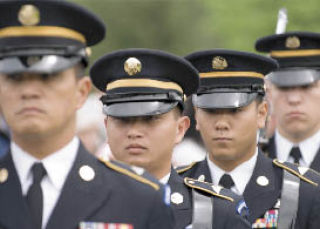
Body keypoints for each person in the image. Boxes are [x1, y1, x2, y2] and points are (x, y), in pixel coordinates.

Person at [0, 1, 173, 229]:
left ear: (81, 92)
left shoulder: (140, 199)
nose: (30, 91)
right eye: (15, 77)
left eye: (47, 77)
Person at [90, 48, 251, 229]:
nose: (134, 131)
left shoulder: (219, 213)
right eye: (122, 119)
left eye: (150, 119)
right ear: (106, 126)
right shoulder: (76, 202)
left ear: (180, 129)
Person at [177, 49, 320, 228]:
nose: (221, 123)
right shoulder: (173, 190)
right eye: (211, 110)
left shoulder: (305, 192)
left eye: (234, 110)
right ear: (196, 115)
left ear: (261, 114)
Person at [255, 32, 320, 171]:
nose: (294, 99)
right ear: (268, 92)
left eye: (306, 86)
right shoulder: (248, 162)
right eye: (283, 87)